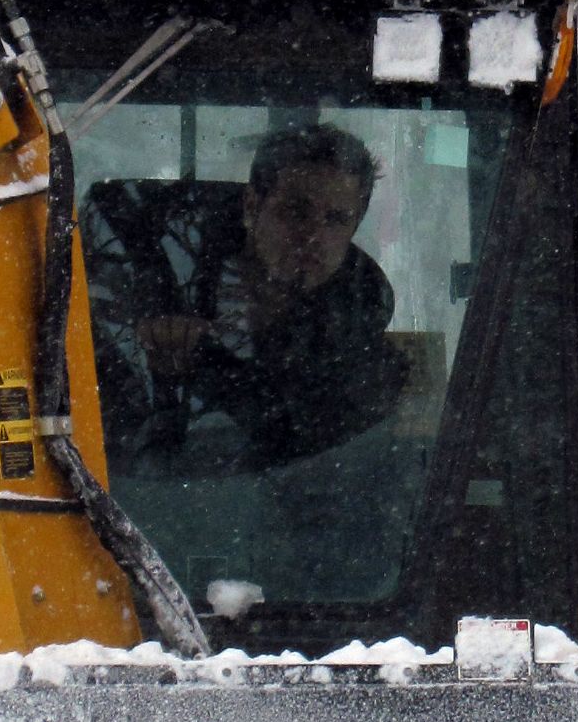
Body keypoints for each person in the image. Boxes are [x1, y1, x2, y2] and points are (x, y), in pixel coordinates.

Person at [135, 124, 406, 469]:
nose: (313, 235)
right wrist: (159, 364)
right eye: (296, 211)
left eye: (336, 219)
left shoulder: (359, 349)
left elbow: (328, 468)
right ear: (251, 206)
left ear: (353, 231)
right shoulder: (163, 284)